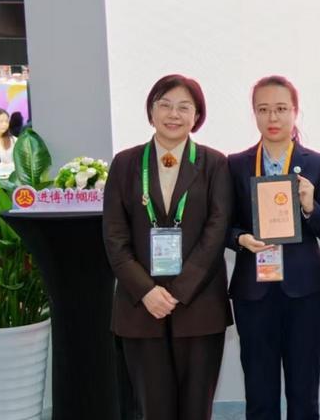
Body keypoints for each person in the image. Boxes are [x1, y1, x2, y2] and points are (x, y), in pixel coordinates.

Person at [103, 74, 232, 420]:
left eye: (184, 107)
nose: (174, 114)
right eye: (165, 105)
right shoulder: (125, 163)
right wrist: (146, 291)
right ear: (151, 111)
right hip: (141, 307)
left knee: (196, 409)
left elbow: (217, 230)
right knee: (152, 409)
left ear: (197, 116)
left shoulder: (214, 163)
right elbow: (114, 236)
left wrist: (179, 290)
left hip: (199, 305)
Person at [227, 75, 320, 420]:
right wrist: (241, 239)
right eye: (263, 110)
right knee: (259, 393)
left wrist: (309, 206)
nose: (272, 118)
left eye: (281, 109)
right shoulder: (236, 164)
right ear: (254, 113)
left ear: (295, 111)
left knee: (304, 393)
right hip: (253, 289)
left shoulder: (317, 162)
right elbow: (224, 225)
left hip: (306, 290)